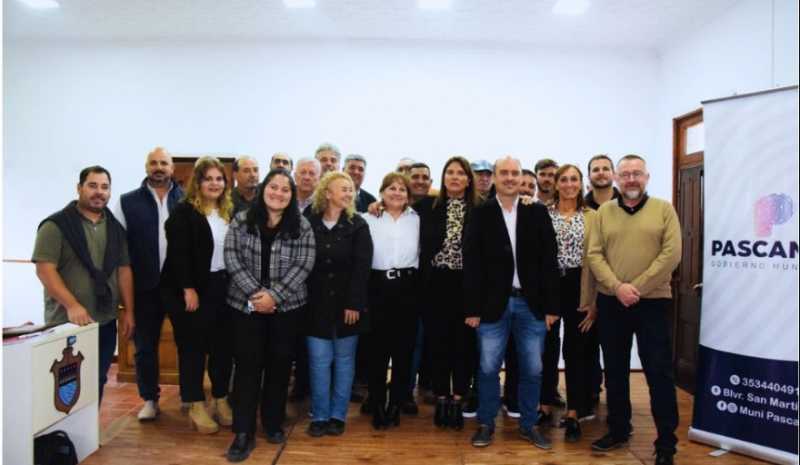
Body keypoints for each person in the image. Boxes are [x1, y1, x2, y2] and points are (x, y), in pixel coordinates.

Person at [587, 154, 681, 465]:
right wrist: (617, 288)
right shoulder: (604, 213)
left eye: (636, 174)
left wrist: (636, 287)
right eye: (625, 174)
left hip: (653, 302)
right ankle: (618, 429)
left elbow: (671, 254)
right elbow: (595, 254)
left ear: (647, 177)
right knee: (614, 370)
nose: (630, 179)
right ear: (615, 178)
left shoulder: (663, 210)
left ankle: (666, 442)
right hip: (612, 303)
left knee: (659, 373)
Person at [463, 156, 559, 450]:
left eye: (514, 173)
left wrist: (552, 307)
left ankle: (529, 425)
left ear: (521, 177)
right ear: (493, 177)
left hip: (531, 306)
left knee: (533, 369)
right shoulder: (480, 213)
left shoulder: (537, 212)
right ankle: (486, 423)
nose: (508, 178)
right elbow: (472, 263)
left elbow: (549, 261)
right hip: (493, 306)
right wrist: (472, 309)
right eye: (503, 173)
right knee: (489, 368)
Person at [223, 168, 316, 461]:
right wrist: (257, 295)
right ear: (264, 190)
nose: (278, 193)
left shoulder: (301, 225)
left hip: (287, 308)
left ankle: (273, 423)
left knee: (278, 366)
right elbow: (232, 257)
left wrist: (274, 296)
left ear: (291, 195)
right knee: (248, 369)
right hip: (245, 306)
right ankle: (243, 432)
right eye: (273, 187)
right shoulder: (241, 220)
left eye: (285, 189)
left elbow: (304, 264)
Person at [33, 166, 134, 404]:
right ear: (79, 188)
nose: (99, 192)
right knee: (64, 383)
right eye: (92, 185)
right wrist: (72, 305)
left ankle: (88, 433)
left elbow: (123, 270)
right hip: (66, 322)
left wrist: (128, 311)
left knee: (97, 378)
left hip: (105, 319)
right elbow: (44, 269)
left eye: (104, 187)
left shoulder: (116, 229)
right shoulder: (55, 226)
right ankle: (60, 437)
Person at [160, 156, 234, 434]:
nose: (214, 184)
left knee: (222, 347)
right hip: (190, 289)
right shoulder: (184, 212)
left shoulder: (229, 211)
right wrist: (187, 288)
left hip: (222, 286)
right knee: (193, 348)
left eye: (219, 179)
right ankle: (194, 403)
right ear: (198, 183)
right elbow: (178, 254)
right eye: (209, 179)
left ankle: (221, 398)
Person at [116, 147, 183, 420]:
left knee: (188, 345)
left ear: (172, 168)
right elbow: (120, 252)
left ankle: (190, 397)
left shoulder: (188, 199)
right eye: (153, 163)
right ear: (146, 167)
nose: (159, 168)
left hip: (180, 286)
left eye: (164, 163)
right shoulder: (126, 202)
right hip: (144, 288)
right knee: (145, 348)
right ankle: (150, 400)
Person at [304, 172, 373, 438]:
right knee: (319, 361)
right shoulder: (308, 223)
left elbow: (361, 268)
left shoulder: (358, 224)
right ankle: (320, 415)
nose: (348, 193)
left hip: (348, 307)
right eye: (343, 188)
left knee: (344, 362)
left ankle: (337, 415)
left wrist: (354, 303)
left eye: (350, 189)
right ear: (327, 192)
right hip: (315, 306)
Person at [415, 156, 478, 430]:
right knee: (438, 342)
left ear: (468, 179)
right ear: (443, 177)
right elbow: (397, 211)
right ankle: (442, 396)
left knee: (463, 343)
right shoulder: (427, 206)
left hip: (467, 284)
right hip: (435, 284)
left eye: (460, 173)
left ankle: (459, 396)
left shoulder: (481, 209)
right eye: (449, 172)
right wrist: (378, 205)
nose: (454, 177)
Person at [362, 172, 420, 430]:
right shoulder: (367, 218)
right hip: (377, 287)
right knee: (376, 349)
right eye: (391, 188)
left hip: (408, 288)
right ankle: (376, 401)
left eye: (402, 189)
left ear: (408, 195)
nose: (397, 193)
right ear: (382, 192)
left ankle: (396, 403)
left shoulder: (417, 219)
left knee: (404, 350)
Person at [548, 164, 599, 442]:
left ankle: (574, 412)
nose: (569, 184)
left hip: (582, 288)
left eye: (574, 179)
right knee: (547, 347)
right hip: (552, 288)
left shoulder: (593, 216)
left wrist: (595, 302)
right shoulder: (543, 214)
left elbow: (601, 259)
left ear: (581, 184)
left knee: (576, 351)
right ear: (556, 184)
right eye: (564, 179)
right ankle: (544, 403)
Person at [533, 157, 564, 422]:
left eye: (553, 174)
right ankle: (535, 393)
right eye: (543, 174)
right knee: (536, 342)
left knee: (553, 343)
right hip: (535, 286)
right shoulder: (528, 205)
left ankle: (550, 390)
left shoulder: (564, 207)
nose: (548, 178)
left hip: (565, 283)